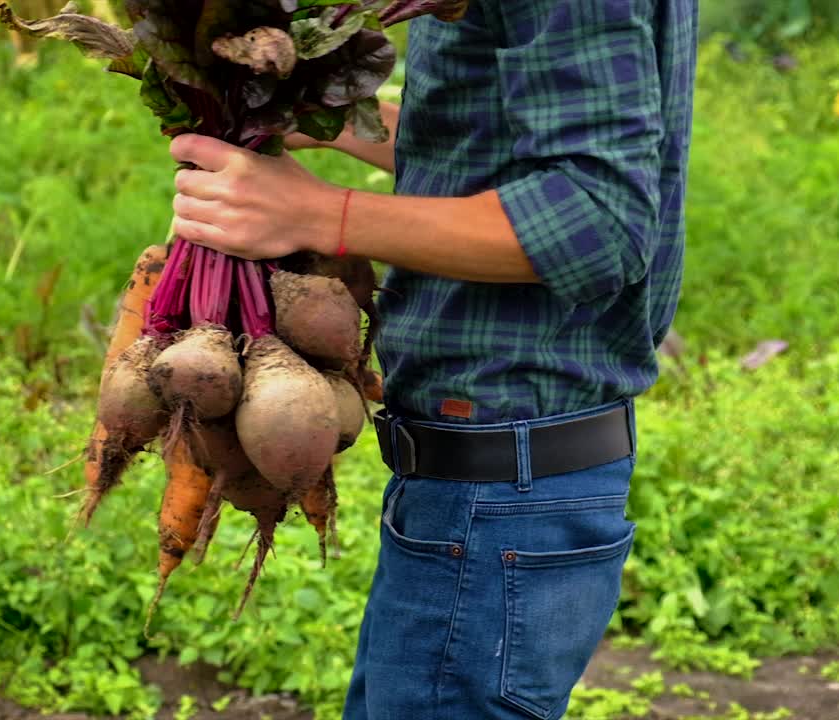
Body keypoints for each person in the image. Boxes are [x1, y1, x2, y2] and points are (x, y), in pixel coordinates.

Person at [166, 0, 698, 716]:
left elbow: (596, 221)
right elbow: (507, 142)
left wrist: (323, 215)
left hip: (502, 492)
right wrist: (331, 124)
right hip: (485, 489)